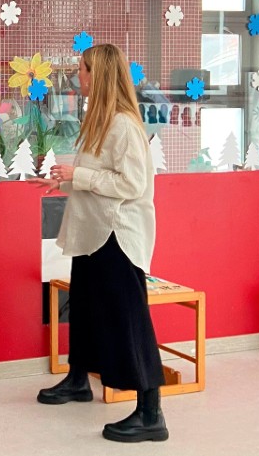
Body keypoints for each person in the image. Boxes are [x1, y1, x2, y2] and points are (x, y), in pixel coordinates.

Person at [29, 43, 167, 443]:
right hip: (94, 232)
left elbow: (131, 185)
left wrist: (79, 176)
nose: (78, 76)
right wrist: (65, 179)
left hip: (117, 236)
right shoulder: (99, 119)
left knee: (130, 320)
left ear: (100, 75)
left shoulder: (124, 124)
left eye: (83, 70)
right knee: (85, 310)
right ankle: (77, 380)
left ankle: (151, 412)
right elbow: (96, 174)